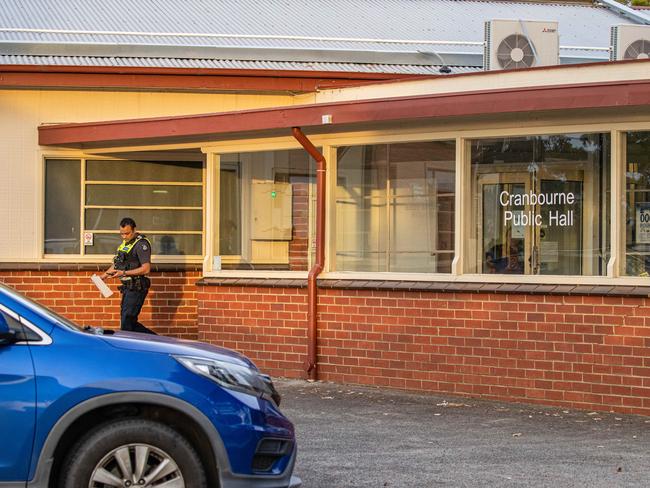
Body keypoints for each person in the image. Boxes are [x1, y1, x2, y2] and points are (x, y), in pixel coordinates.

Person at [100, 217, 156, 334]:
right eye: (122, 234)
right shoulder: (125, 244)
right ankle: (155, 341)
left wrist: (124, 273)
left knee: (127, 324)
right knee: (128, 322)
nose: (124, 236)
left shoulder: (141, 244)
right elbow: (117, 264)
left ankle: (156, 341)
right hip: (128, 288)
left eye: (127, 233)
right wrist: (103, 276)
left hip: (137, 287)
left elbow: (146, 269)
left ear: (134, 230)